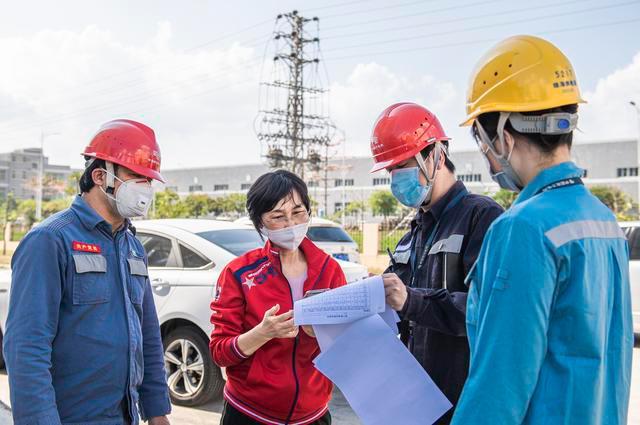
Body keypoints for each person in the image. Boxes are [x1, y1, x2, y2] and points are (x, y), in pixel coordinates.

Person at [452, 35, 633, 424]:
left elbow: (499, 387)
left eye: (482, 143)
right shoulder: (604, 220)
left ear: (502, 135)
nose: (488, 156)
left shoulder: (522, 228)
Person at [3, 119, 171, 425]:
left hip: (125, 416)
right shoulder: (50, 240)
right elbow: (26, 348)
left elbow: (147, 337)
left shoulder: (133, 247)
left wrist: (157, 410)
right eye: (136, 177)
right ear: (99, 175)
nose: (146, 189)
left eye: (149, 180)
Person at [370, 102, 503, 424]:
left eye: (403, 165)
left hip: (461, 402)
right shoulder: (415, 231)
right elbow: (399, 314)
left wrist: (411, 299)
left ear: (437, 155)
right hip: (416, 398)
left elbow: (486, 311)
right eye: (390, 170)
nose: (396, 179)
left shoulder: (482, 218)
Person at [210, 170, 346, 425]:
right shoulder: (238, 273)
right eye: (278, 216)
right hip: (249, 413)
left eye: (298, 212)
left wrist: (325, 333)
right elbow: (219, 352)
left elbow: (346, 344)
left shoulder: (330, 270)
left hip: (313, 414)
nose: (291, 224)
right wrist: (262, 332)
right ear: (260, 223)